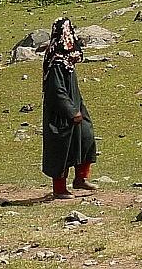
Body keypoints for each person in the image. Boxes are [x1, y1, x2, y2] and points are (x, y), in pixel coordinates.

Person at [42, 17, 98, 199]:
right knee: (61, 148)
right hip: (60, 114)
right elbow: (56, 90)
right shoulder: (56, 61)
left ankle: (80, 179)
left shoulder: (67, 60)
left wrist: (79, 108)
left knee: (86, 136)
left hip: (76, 108)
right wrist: (71, 111)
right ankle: (59, 189)